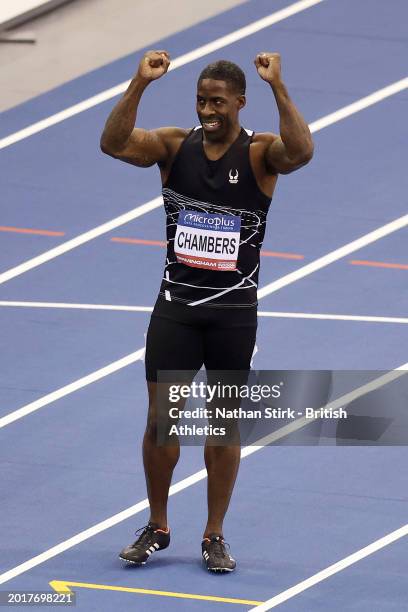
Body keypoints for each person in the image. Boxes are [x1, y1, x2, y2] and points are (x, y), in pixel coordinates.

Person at [100, 49, 313, 572]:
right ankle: (157, 525)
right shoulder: (174, 147)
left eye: (217, 102)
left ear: (240, 103)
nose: (206, 110)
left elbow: (302, 151)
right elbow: (113, 143)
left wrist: (279, 87)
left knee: (222, 429)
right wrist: (139, 83)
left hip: (233, 315)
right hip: (176, 309)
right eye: (200, 101)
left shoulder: (261, 154)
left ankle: (214, 534)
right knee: (161, 424)